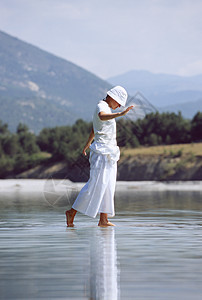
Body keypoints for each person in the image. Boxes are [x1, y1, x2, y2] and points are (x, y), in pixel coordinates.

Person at [66, 86, 133, 227]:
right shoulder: (101, 106)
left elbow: (95, 127)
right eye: (119, 102)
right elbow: (101, 117)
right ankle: (71, 212)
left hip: (110, 153)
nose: (119, 105)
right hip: (101, 152)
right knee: (96, 184)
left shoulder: (107, 108)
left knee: (108, 186)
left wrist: (87, 143)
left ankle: (104, 220)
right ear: (112, 97)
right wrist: (120, 114)